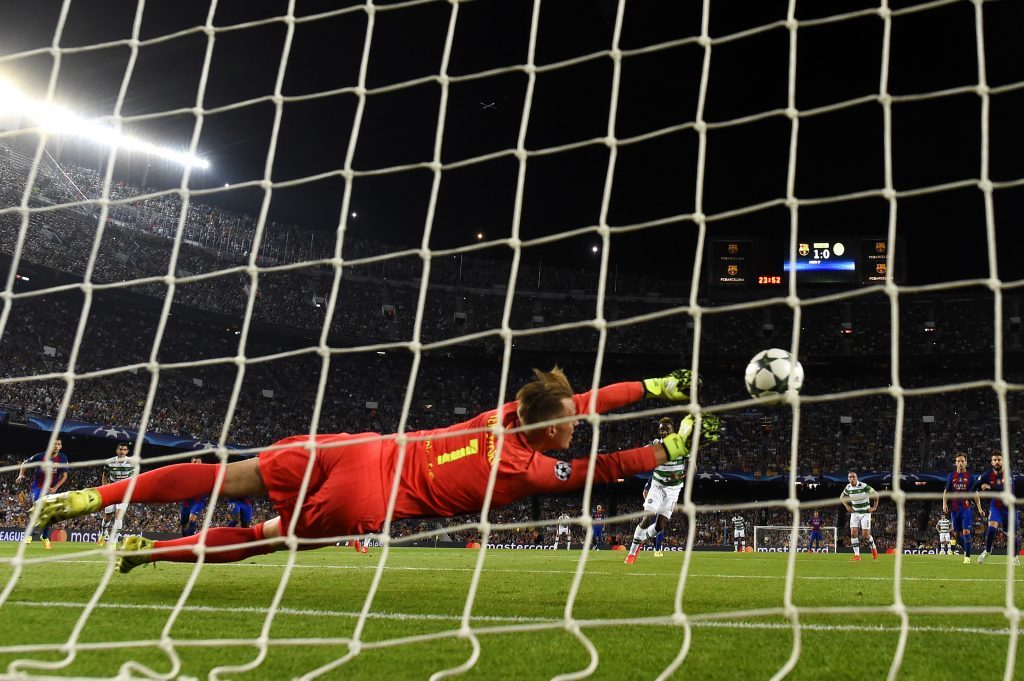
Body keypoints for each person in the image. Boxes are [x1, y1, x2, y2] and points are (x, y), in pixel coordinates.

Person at [35, 367, 719, 573]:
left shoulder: (506, 413)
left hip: (359, 447)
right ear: (551, 427)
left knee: (227, 474)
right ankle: (153, 551)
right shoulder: (531, 470)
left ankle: (100, 493)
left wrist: (656, 388)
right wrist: (666, 451)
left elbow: (590, 403)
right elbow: (603, 467)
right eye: (569, 421)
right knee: (269, 535)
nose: (577, 421)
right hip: (372, 491)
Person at [625, 416, 698, 564]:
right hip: (657, 486)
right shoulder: (655, 445)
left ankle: (641, 540)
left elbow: (693, 468)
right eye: (662, 429)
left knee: (660, 525)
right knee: (647, 517)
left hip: (673, 490)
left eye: (667, 429)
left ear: (673, 431)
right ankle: (631, 554)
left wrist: (679, 474)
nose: (664, 432)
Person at [16, 438, 68, 549]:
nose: (56, 446)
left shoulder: (63, 458)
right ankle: (29, 536)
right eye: (54, 444)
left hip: (51, 489)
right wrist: (21, 474)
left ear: (61, 446)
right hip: (38, 487)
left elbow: (64, 476)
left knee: (48, 514)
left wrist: (55, 488)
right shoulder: (40, 456)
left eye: (58, 444)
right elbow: (25, 463)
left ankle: (44, 537)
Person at [973, 452, 1022, 566]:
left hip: (1010, 507)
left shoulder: (1008, 473)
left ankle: (1014, 556)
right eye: (994, 460)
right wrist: (979, 487)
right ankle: (987, 551)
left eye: (999, 459)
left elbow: (1002, 488)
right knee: (991, 528)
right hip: (996, 505)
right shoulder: (987, 474)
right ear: (992, 462)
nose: (997, 462)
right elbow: (975, 485)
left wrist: (989, 487)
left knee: (1013, 535)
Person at [943, 453, 982, 564]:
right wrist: (944, 504)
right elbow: (946, 491)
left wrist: (979, 508)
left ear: (966, 463)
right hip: (954, 510)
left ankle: (967, 558)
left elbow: (975, 493)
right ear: (956, 463)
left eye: (962, 461)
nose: (960, 463)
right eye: (958, 461)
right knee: (957, 534)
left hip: (966, 509)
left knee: (966, 531)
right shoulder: (951, 476)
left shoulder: (970, 477)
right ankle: (966, 550)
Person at [98, 442, 135, 546]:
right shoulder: (109, 462)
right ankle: (103, 533)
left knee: (119, 515)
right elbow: (105, 476)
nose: (122, 451)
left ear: (127, 451)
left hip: (124, 492)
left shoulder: (132, 462)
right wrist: (105, 488)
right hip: (112, 489)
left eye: (124, 450)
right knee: (108, 516)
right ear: (117, 450)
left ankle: (113, 541)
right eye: (120, 449)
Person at [841, 470, 879, 561]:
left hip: (865, 513)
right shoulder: (848, 487)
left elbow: (876, 495)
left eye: (853, 477)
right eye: (850, 477)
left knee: (865, 536)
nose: (852, 478)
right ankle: (857, 555)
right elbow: (842, 497)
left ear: (856, 477)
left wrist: (874, 507)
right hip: (855, 513)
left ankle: (873, 547)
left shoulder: (863, 486)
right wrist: (847, 506)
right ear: (848, 478)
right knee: (853, 533)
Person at [178, 457, 207, 537]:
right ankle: (185, 539)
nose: (196, 463)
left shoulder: (206, 472)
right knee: (184, 526)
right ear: (191, 463)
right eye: (194, 462)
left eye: (198, 462)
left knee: (192, 518)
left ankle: (191, 540)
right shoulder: (185, 472)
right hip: (186, 503)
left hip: (198, 501)